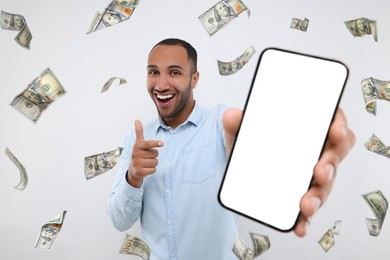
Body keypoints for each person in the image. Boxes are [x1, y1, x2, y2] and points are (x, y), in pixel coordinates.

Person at [107, 38, 355, 259]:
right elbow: (119, 221)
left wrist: (300, 138)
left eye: (174, 73)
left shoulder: (222, 122)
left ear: (194, 78)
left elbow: (259, 145)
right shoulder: (137, 140)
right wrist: (133, 177)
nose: (161, 84)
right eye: (153, 72)